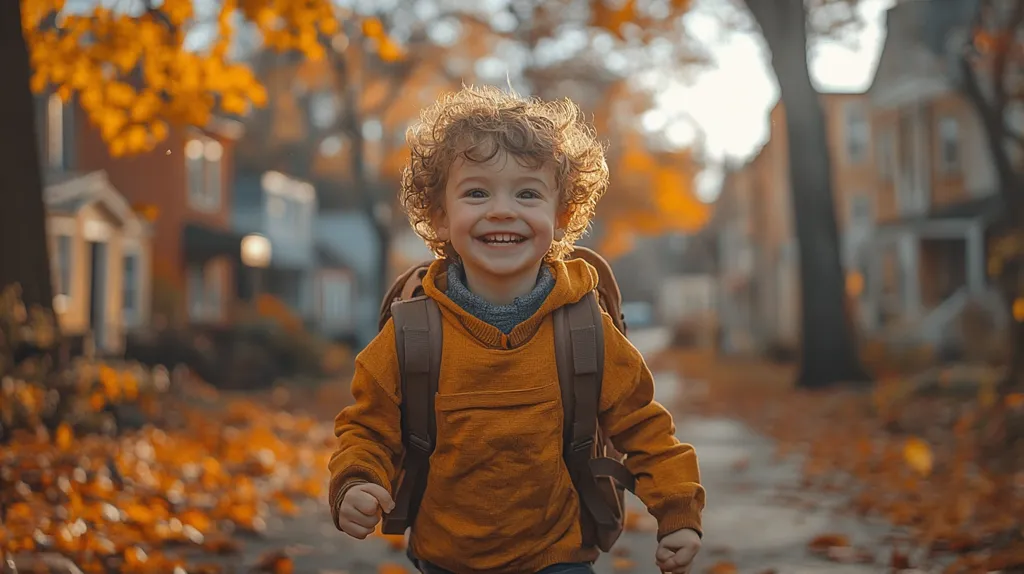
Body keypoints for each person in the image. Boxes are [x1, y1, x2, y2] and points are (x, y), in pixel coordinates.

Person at [327, 85, 705, 574]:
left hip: (559, 554)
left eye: (527, 193)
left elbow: (644, 426)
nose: (502, 209)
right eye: (477, 192)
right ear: (440, 216)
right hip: (445, 557)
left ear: (562, 215)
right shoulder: (412, 333)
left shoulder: (584, 327)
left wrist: (678, 513)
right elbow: (367, 427)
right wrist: (356, 480)